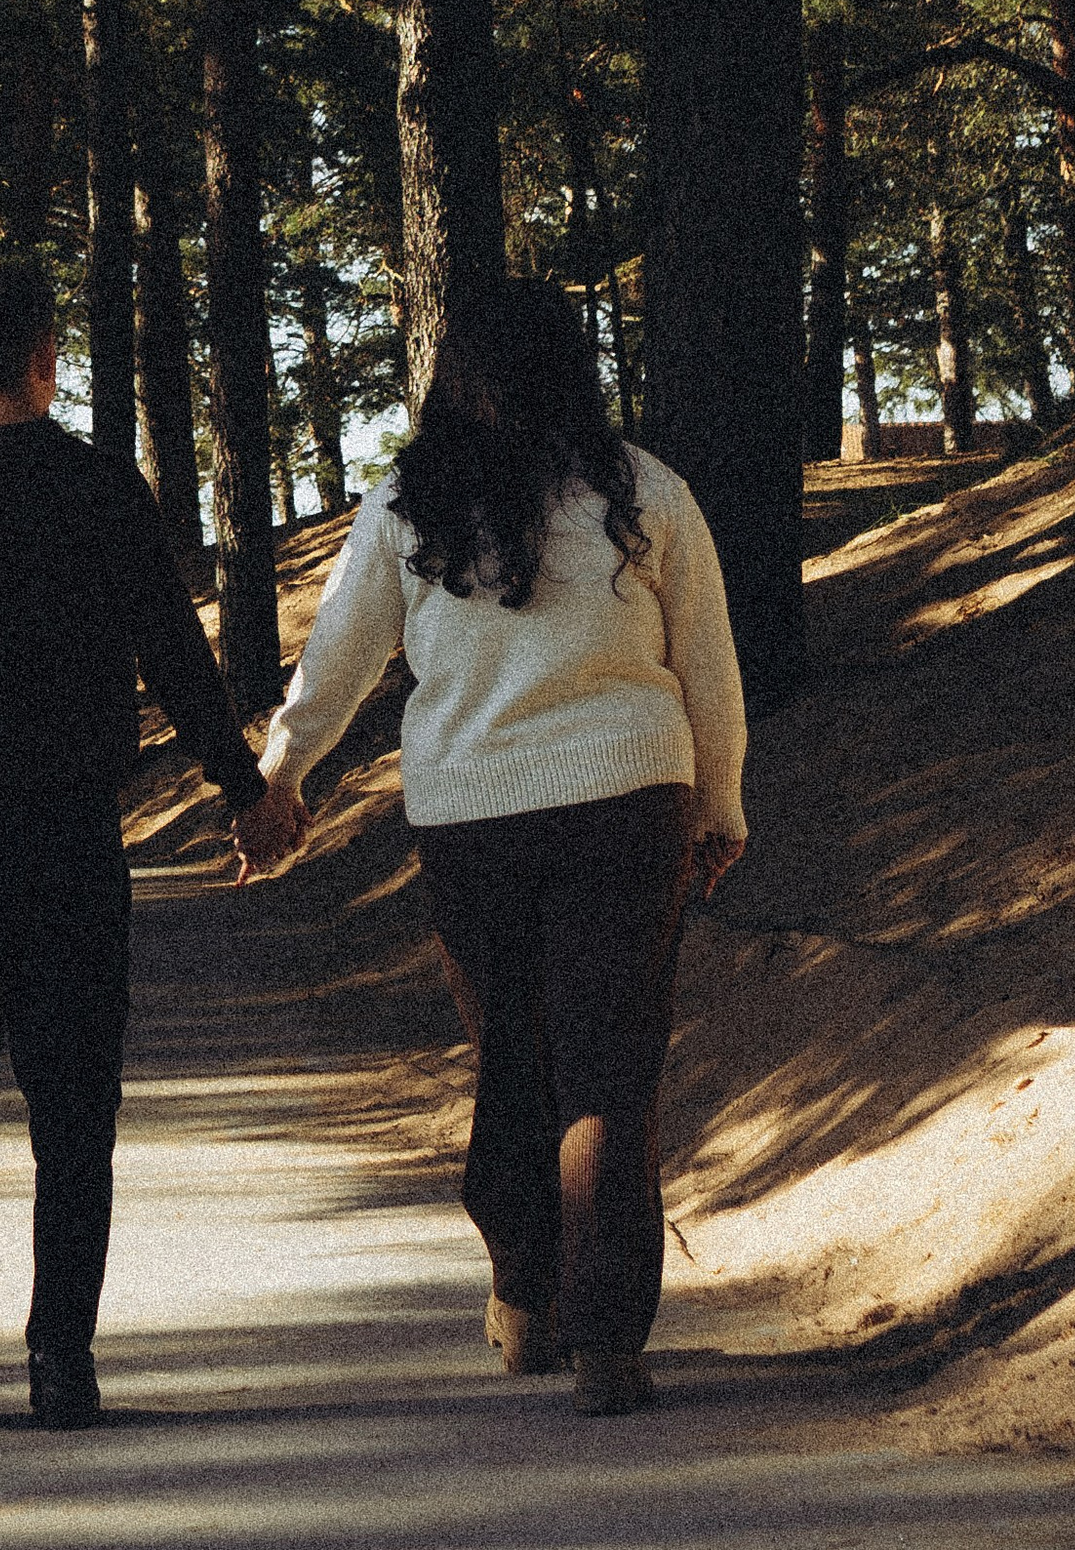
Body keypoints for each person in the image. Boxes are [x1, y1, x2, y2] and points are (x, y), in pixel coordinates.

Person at [251, 279, 745, 1420]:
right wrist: (719, 805)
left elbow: (337, 661)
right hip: (629, 804)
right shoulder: (644, 493)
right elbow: (708, 669)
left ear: (451, 377)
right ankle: (608, 1345)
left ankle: (527, 1304)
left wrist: (282, 776)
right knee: (610, 1074)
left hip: (472, 819)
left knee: (515, 1060)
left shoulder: (407, 507)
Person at [0, 251, 294, 1430]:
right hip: (76, 844)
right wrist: (242, 786)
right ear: (46, 358)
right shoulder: (103, 491)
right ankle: (60, 1361)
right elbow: (177, 661)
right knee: (74, 1107)